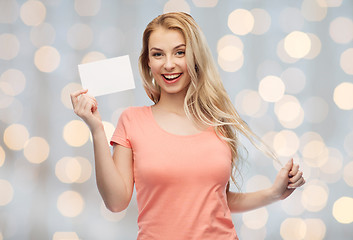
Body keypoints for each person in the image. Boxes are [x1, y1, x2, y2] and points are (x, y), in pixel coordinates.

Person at [70, 12, 305, 240]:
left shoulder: (218, 122)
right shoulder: (132, 120)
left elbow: (216, 199)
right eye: (158, 54)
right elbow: (116, 202)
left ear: (195, 56)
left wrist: (274, 193)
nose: (169, 64)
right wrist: (97, 129)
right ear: (148, 62)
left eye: (179, 52)